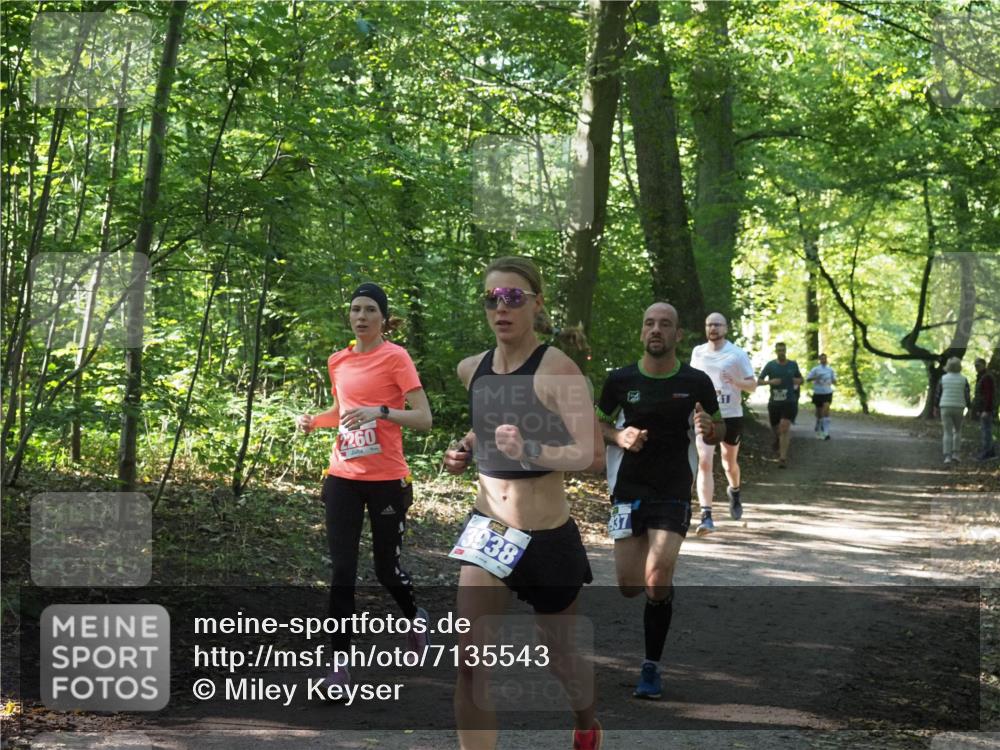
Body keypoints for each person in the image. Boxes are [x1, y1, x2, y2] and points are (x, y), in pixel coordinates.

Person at [442, 257, 604, 750]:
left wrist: (530, 450)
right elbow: (488, 424)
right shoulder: (472, 370)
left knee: (562, 660)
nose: (501, 308)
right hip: (490, 530)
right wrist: (465, 450)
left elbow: (591, 454)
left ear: (536, 303)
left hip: (548, 537)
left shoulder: (558, 369)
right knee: (470, 662)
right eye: (492, 299)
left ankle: (587, 722)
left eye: (513, 297)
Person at [296, 282, 433, 693]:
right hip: (343, 478)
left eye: (369, 309)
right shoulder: (337, 360)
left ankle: (415, 616)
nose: (360, 316)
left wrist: (383, 412)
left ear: (382, 317)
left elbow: (424, 418)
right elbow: (342, 412)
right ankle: (338, 668)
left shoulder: (397, 358)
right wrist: (314, 421)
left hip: (388, 480)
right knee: (342, 572)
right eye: (355, 309)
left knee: (386, 570)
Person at [598, 302, 724, 700]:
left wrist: (710, 428)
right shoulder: (619, 380)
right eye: (649, 323)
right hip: (627, 491)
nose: (656, 330)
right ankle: (662, 592)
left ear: (677, 335)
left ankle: (651, 666)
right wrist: (618, 437)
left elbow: (719, 427)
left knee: (655, 580)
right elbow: (596, 421)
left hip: (672, 489)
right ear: (641, 332)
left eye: (665, 324)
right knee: (629, 586)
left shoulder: (697, 381)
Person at [689, 312, 756, 534]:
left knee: (729, 463)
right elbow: (692, 382)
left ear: (725, 328)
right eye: (709, 325)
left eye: (717, 325)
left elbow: (752, 385)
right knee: (705, 461)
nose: (713, 328)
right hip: (707, 415)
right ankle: (706, 516)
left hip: (731, 415)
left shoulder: (737, 354)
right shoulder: (698, 353)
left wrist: (735, 382)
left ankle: (734, 490)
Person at [758, 343, 803, 469]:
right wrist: (770, 382)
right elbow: (759, 381)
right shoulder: (771, 365)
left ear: (786, 351)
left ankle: (782, 458)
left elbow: (801, 379)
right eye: (779, 350)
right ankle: (777, 439)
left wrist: (798, 381)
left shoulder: (793, 365)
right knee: (776, 428)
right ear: (776, 351)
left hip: (790, 401)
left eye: (783, 350)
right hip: (774, 403)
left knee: (784, 427)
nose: (781, 352)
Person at [934, 356, 971, 465]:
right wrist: (969, 407)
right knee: (958, 431)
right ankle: (956, 454)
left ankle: (947, 456)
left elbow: (938, 394)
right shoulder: (964, 379)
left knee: (947, 432)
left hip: (945, 406)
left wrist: (935, 407)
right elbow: (967, 395)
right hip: (959, 406)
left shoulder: (943, 378)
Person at [806, 353, 837, 440]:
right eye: (822, 359)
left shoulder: (830, 370)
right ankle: (819, 427)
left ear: (827, 359)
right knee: (819, 413)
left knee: (826, 410)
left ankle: (826, 433)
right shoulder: (815, 369)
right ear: (819, 360)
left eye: (825, 358)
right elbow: (807, 379)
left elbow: (835, 381)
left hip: (827, 392)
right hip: (818, 393)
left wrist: (833, 380)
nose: (824, 360)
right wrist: (816, 377)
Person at [972, 357, 998, 461]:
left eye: (978, 365)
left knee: (986, 431)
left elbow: (989, 395)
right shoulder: (982, 376)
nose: (976, 368)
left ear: (984, 365)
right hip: (983, 409)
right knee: (986, 430)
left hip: (986, 409)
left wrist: (986, 410)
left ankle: (987, 453)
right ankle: (990, 452)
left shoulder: (986, 378)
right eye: (975, 366)